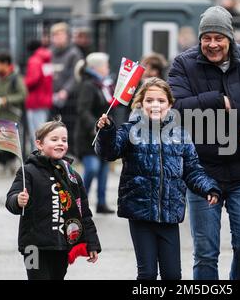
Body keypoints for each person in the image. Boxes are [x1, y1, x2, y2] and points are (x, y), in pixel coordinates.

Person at [168, 6, 240, 280]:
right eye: (206, 38)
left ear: (230, 37)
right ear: (200, 39)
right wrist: (216, 100)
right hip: (202, 172)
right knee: (205, 252)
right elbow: (174, 108)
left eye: (218, 38)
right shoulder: (183, 63)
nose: (212, 44)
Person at [95, 77, 221, 280]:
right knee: (147, 274)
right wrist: (107, 131)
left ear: (170, 104)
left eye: (161, 101)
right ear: (140, 104)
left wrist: (209, 187)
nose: (155, 105)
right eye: (150, 100)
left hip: (169, 214)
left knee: (173, 275)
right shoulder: (128, 131)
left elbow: (192, 169)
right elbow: (109, 152)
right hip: (140, 212)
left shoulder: (180, 134)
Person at [6, 119, 101, 280]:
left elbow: (83, 212)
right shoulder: (27, 172)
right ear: (39, 144)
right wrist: (18, 200)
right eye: (54, 139)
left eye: (64, 140)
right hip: (32, 246)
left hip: (61, 246)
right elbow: (11, 200)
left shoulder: (72, 175)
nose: (60, 143)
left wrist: (92, 243)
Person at [74, 52, 115, 214]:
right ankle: (80, 202)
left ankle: (101, 202)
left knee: (104, 169)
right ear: (96, 67)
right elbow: (83, 110)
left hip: (101, 133)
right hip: (88, 136)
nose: (108, 68)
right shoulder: (89, 85)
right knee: (92, 168)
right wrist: (95, 126)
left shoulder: (103, 84)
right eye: (105, 65)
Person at [50, 22, 83, 154]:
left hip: (70, 100)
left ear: (67, 36)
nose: (57, 38)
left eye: (60, 35)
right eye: (54, 35)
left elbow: (76, 75)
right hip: (52, 98)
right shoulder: (50, 53)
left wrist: (66, 91)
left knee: (69, 126)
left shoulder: (74, 53)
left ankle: (71, 152)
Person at [0, 53, 27, 175]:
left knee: (10, 142)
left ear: (5, 64)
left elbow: (23, 95)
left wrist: (8, 99)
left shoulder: (16, 78)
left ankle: (11, 165)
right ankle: (2, 165)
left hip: (11, 116)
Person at [24, 40, 53, 151]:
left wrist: (24, 82)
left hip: (35, 101)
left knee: (36, 134)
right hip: (45, 100)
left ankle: (37, 160)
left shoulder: (34, 61)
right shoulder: (47, 60)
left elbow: (33, 80)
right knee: (43, 132)